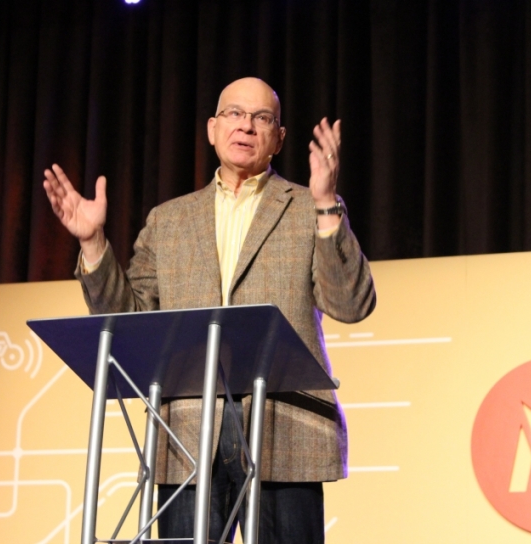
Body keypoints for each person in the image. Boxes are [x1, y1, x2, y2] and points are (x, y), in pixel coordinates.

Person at [43, 77, 375, 543]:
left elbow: (352, 303)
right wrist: (93, 244)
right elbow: (129, 320)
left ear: (279, 138)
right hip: (186, 435)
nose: (247, 126)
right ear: (212, 129)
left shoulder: (308, 208)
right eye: (235, 114)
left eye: (262, 118)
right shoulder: (169, 219)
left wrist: (324, 205)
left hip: (284, 429)